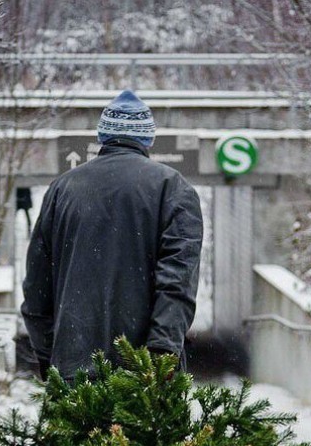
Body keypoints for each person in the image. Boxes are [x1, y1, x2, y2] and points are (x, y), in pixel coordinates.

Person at [21, 89, 203, 381]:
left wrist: (48, 354)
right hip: (147, 376)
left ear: (103, 137)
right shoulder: (174, 189)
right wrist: (162, 353)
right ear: (148, 139)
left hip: (73, 369)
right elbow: (177, 282)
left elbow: (36, 287)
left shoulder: (62, 190)